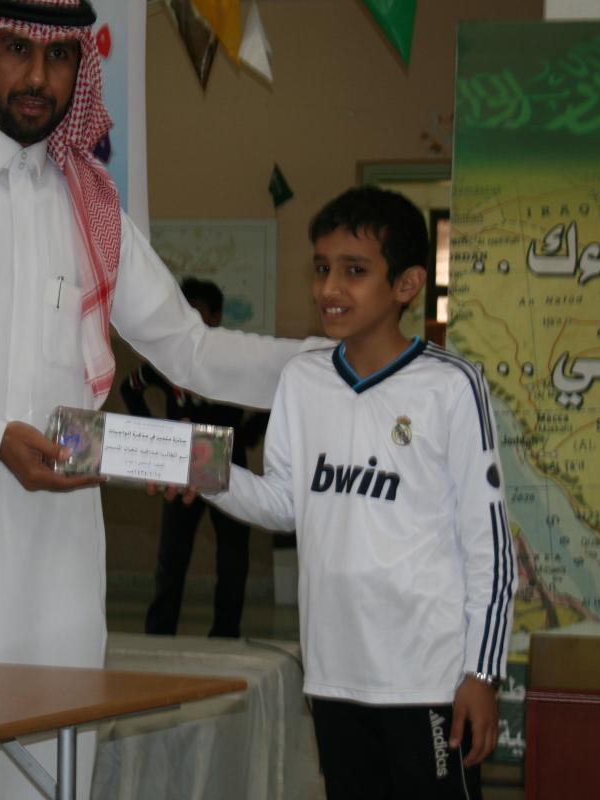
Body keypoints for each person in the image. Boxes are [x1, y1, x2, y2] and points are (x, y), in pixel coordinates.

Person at [0, 2, 308, 798]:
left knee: (42, 760)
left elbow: (192, 350)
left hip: (49, 568)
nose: (38, 76)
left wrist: (328, 364)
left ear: (81, 67)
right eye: (17, 49)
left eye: (61, 56)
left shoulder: (93, 209)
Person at [202, 187, 516, 799]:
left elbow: (491, 548)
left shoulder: (451, 386)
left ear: (407, 284)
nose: (329, 288)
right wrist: (204, 474)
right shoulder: (302, 380)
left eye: (354, 270)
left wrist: (481, 672)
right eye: (322, 268)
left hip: (427, 678)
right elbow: (285, 504)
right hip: (334, 675)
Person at [121, 277, 269, 638]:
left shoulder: (233, 358)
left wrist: (249, 433)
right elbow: (129, 388)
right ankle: (160, 631)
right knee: (172, 554)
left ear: (216, 317)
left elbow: (275, 396)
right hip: (183, 457)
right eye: (185, 313)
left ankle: (225, 633)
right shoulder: (168, 359)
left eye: (200, 315)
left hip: (228, 459)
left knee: (232, 557)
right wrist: (157, 432)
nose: (192, 322)